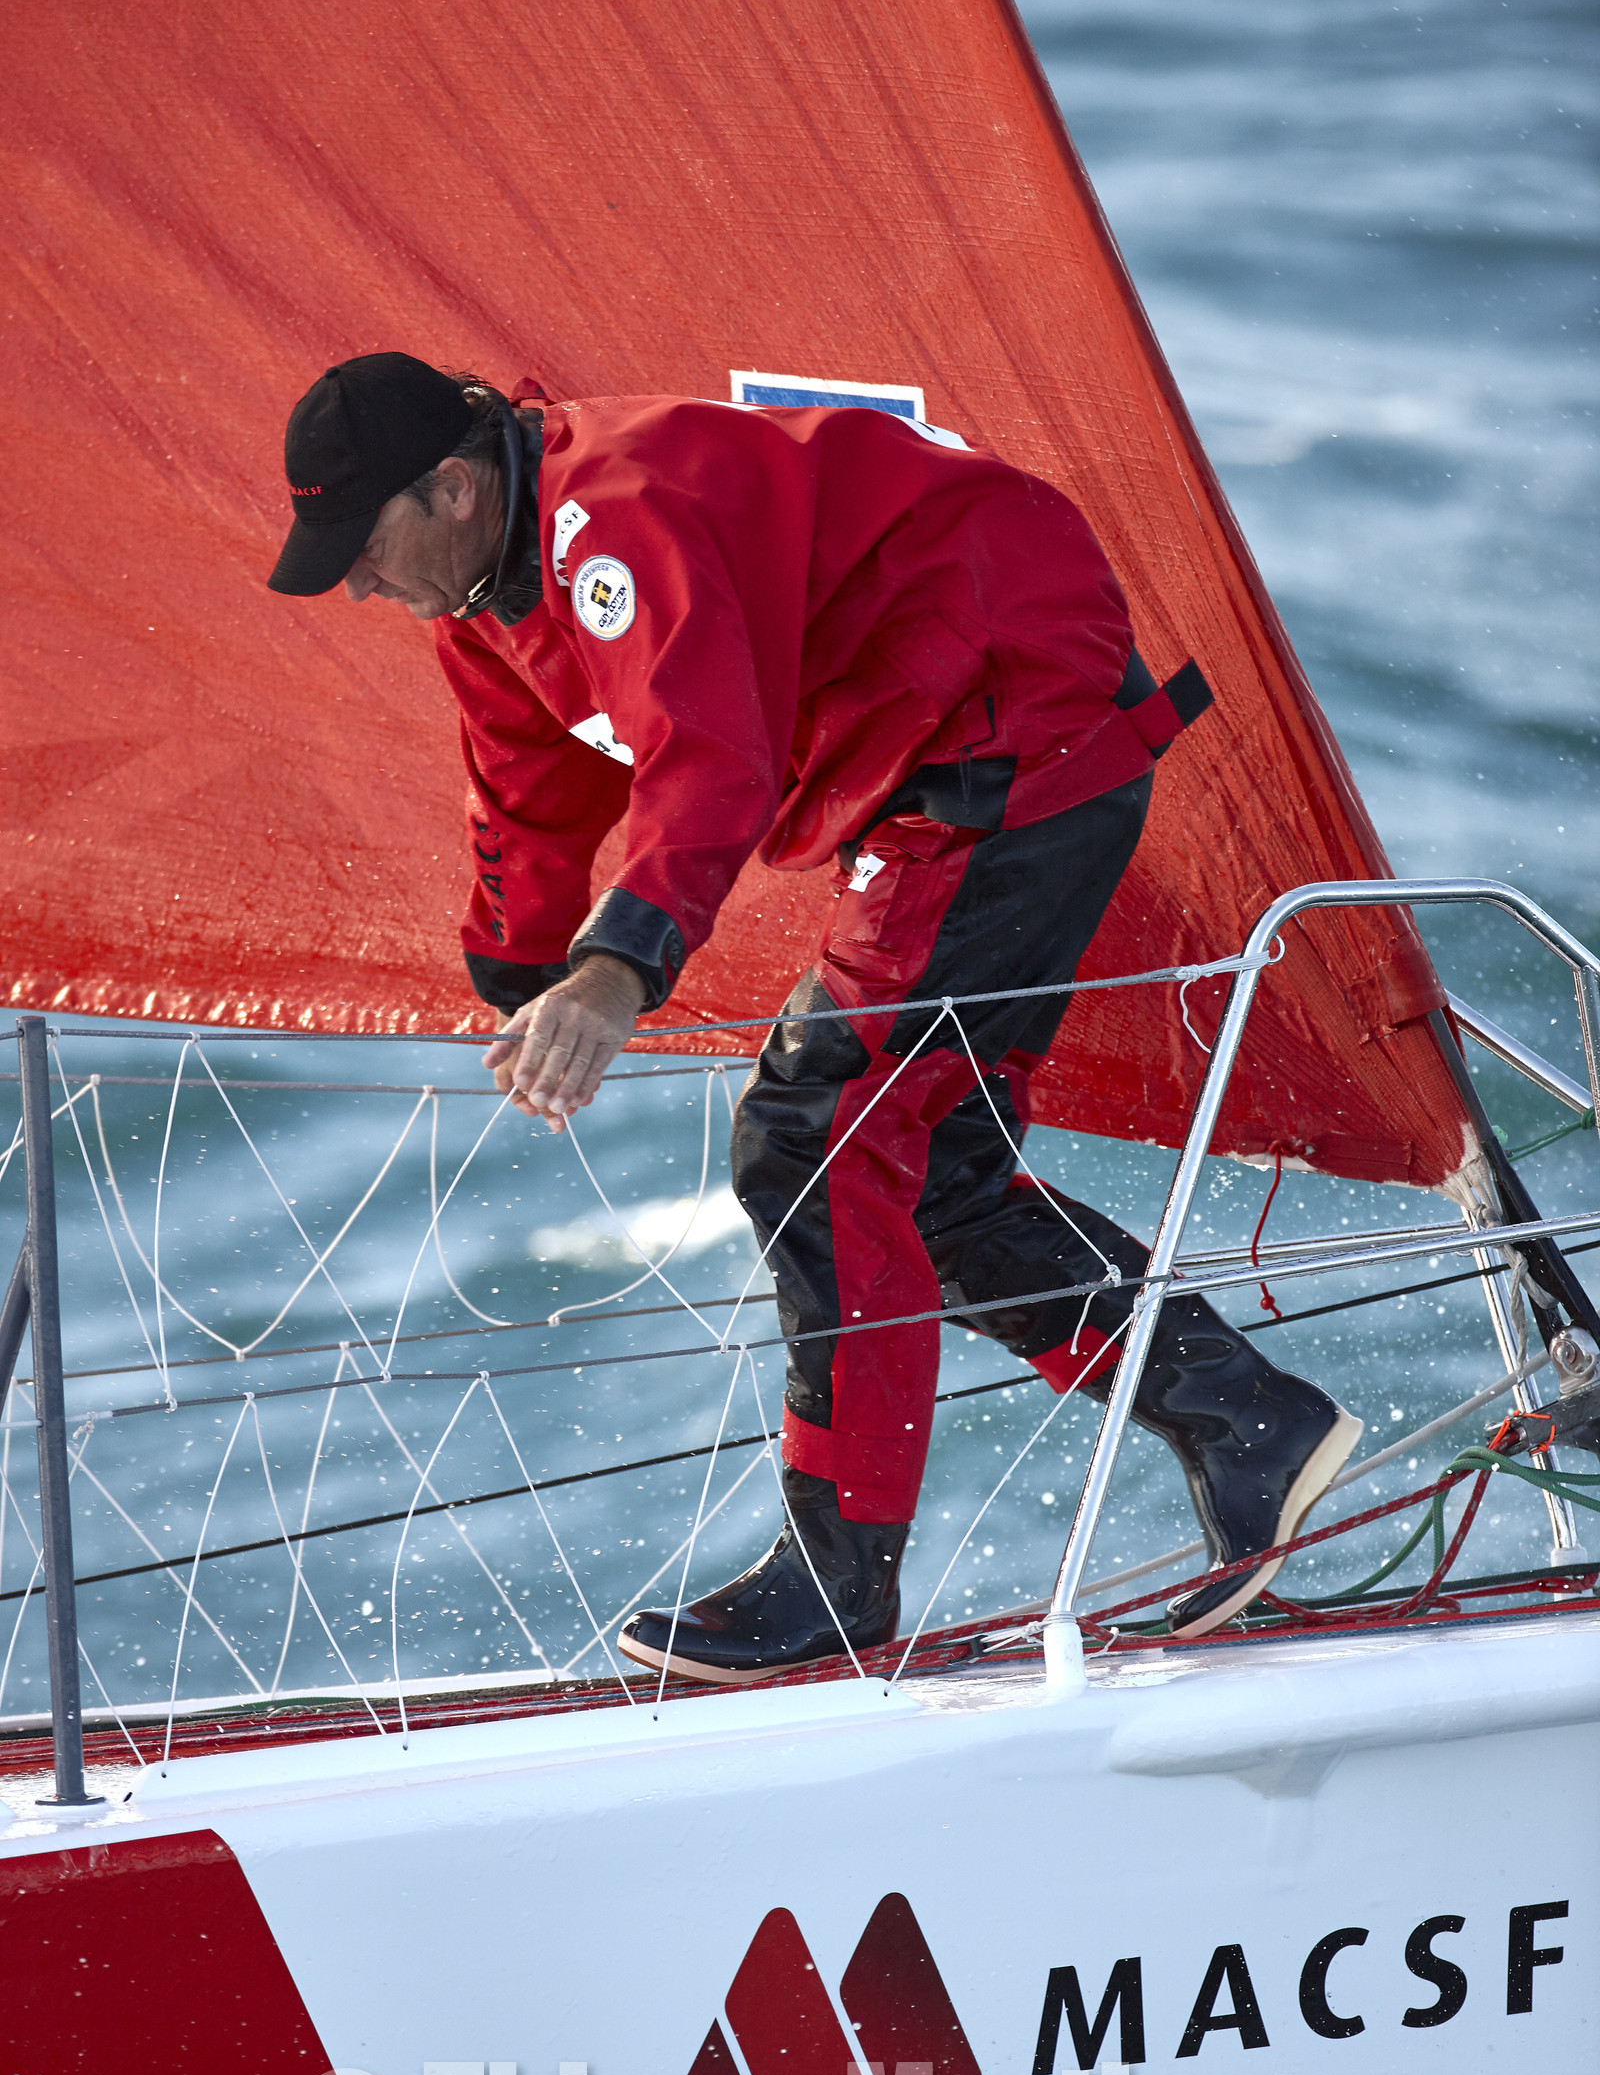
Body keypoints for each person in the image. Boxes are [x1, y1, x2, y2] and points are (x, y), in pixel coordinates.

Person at [268, 352, 1361, 1677]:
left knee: (814, 1135)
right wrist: (518, 980)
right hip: (935, 763)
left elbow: (706, 759)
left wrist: (618, 973)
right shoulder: (485, 600)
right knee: (928, 1176)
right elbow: (530, 795)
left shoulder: (611, 520)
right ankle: (1248, 1422)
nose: (361, 586)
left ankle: (837, 1582)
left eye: (363, 547)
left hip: (1010, 730)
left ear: (447, 489)